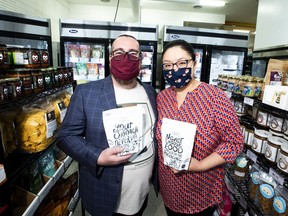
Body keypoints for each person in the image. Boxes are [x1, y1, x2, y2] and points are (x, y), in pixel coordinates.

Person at [57, 34, 157, 216]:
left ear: (141, 60)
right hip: (104, 195)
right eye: (119, 53)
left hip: (141, 195)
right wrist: (98, 157)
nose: (126, 58)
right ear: (110, 58)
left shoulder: (150, 91)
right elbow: (66, 136)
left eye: (133, 53)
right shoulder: (86, 93)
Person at [156, 39, 243, 216]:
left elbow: (234, 143)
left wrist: (201, 165)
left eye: (181, 63)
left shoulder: (215, 97)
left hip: (201, 191)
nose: (174, 69)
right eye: (168, 65)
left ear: (194, 64)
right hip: (169, 188)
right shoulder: (162, 98)